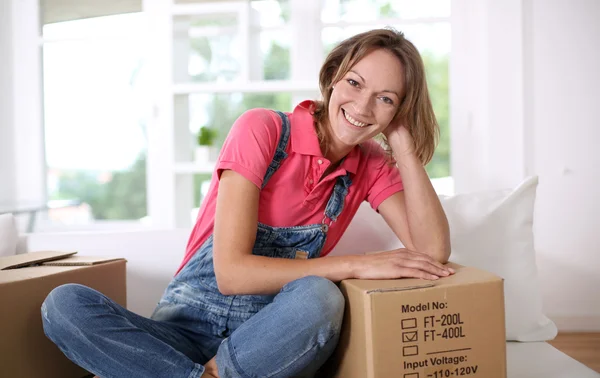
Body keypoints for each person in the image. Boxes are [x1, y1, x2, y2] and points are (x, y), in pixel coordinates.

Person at [41, 27, 452, 378]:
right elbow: (231, 274)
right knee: (64, 304)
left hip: (263, 341)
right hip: (179, 333)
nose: (362, 106)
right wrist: (357, 263)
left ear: (400, 109)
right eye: (355, 83)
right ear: (332, 77)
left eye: (386, 98)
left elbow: (432, 251)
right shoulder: (264, 129)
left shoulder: (372, 165)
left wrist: (402, 140)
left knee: (320, 297)